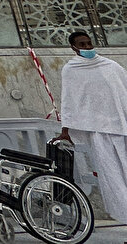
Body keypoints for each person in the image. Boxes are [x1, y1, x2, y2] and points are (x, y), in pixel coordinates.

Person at [54, 28, 127, 221]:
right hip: (98, 132)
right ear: (74, 48)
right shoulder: (71, 70)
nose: (87, 47)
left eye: (89, 43)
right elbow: (68, 100)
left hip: (122, 128)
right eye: (82, 45)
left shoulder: (110, 66)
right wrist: (65, 130)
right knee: (113, 179)